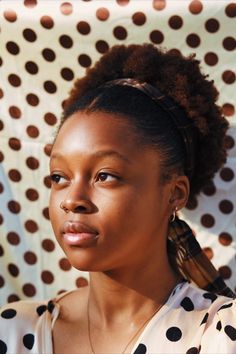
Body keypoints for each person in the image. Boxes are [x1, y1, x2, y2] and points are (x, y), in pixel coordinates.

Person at [0, 43, 235, 354]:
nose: (72, 200)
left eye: (105, 176)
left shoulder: (218, 337)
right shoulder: (12, 329)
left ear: (174, 194)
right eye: (59, 177)